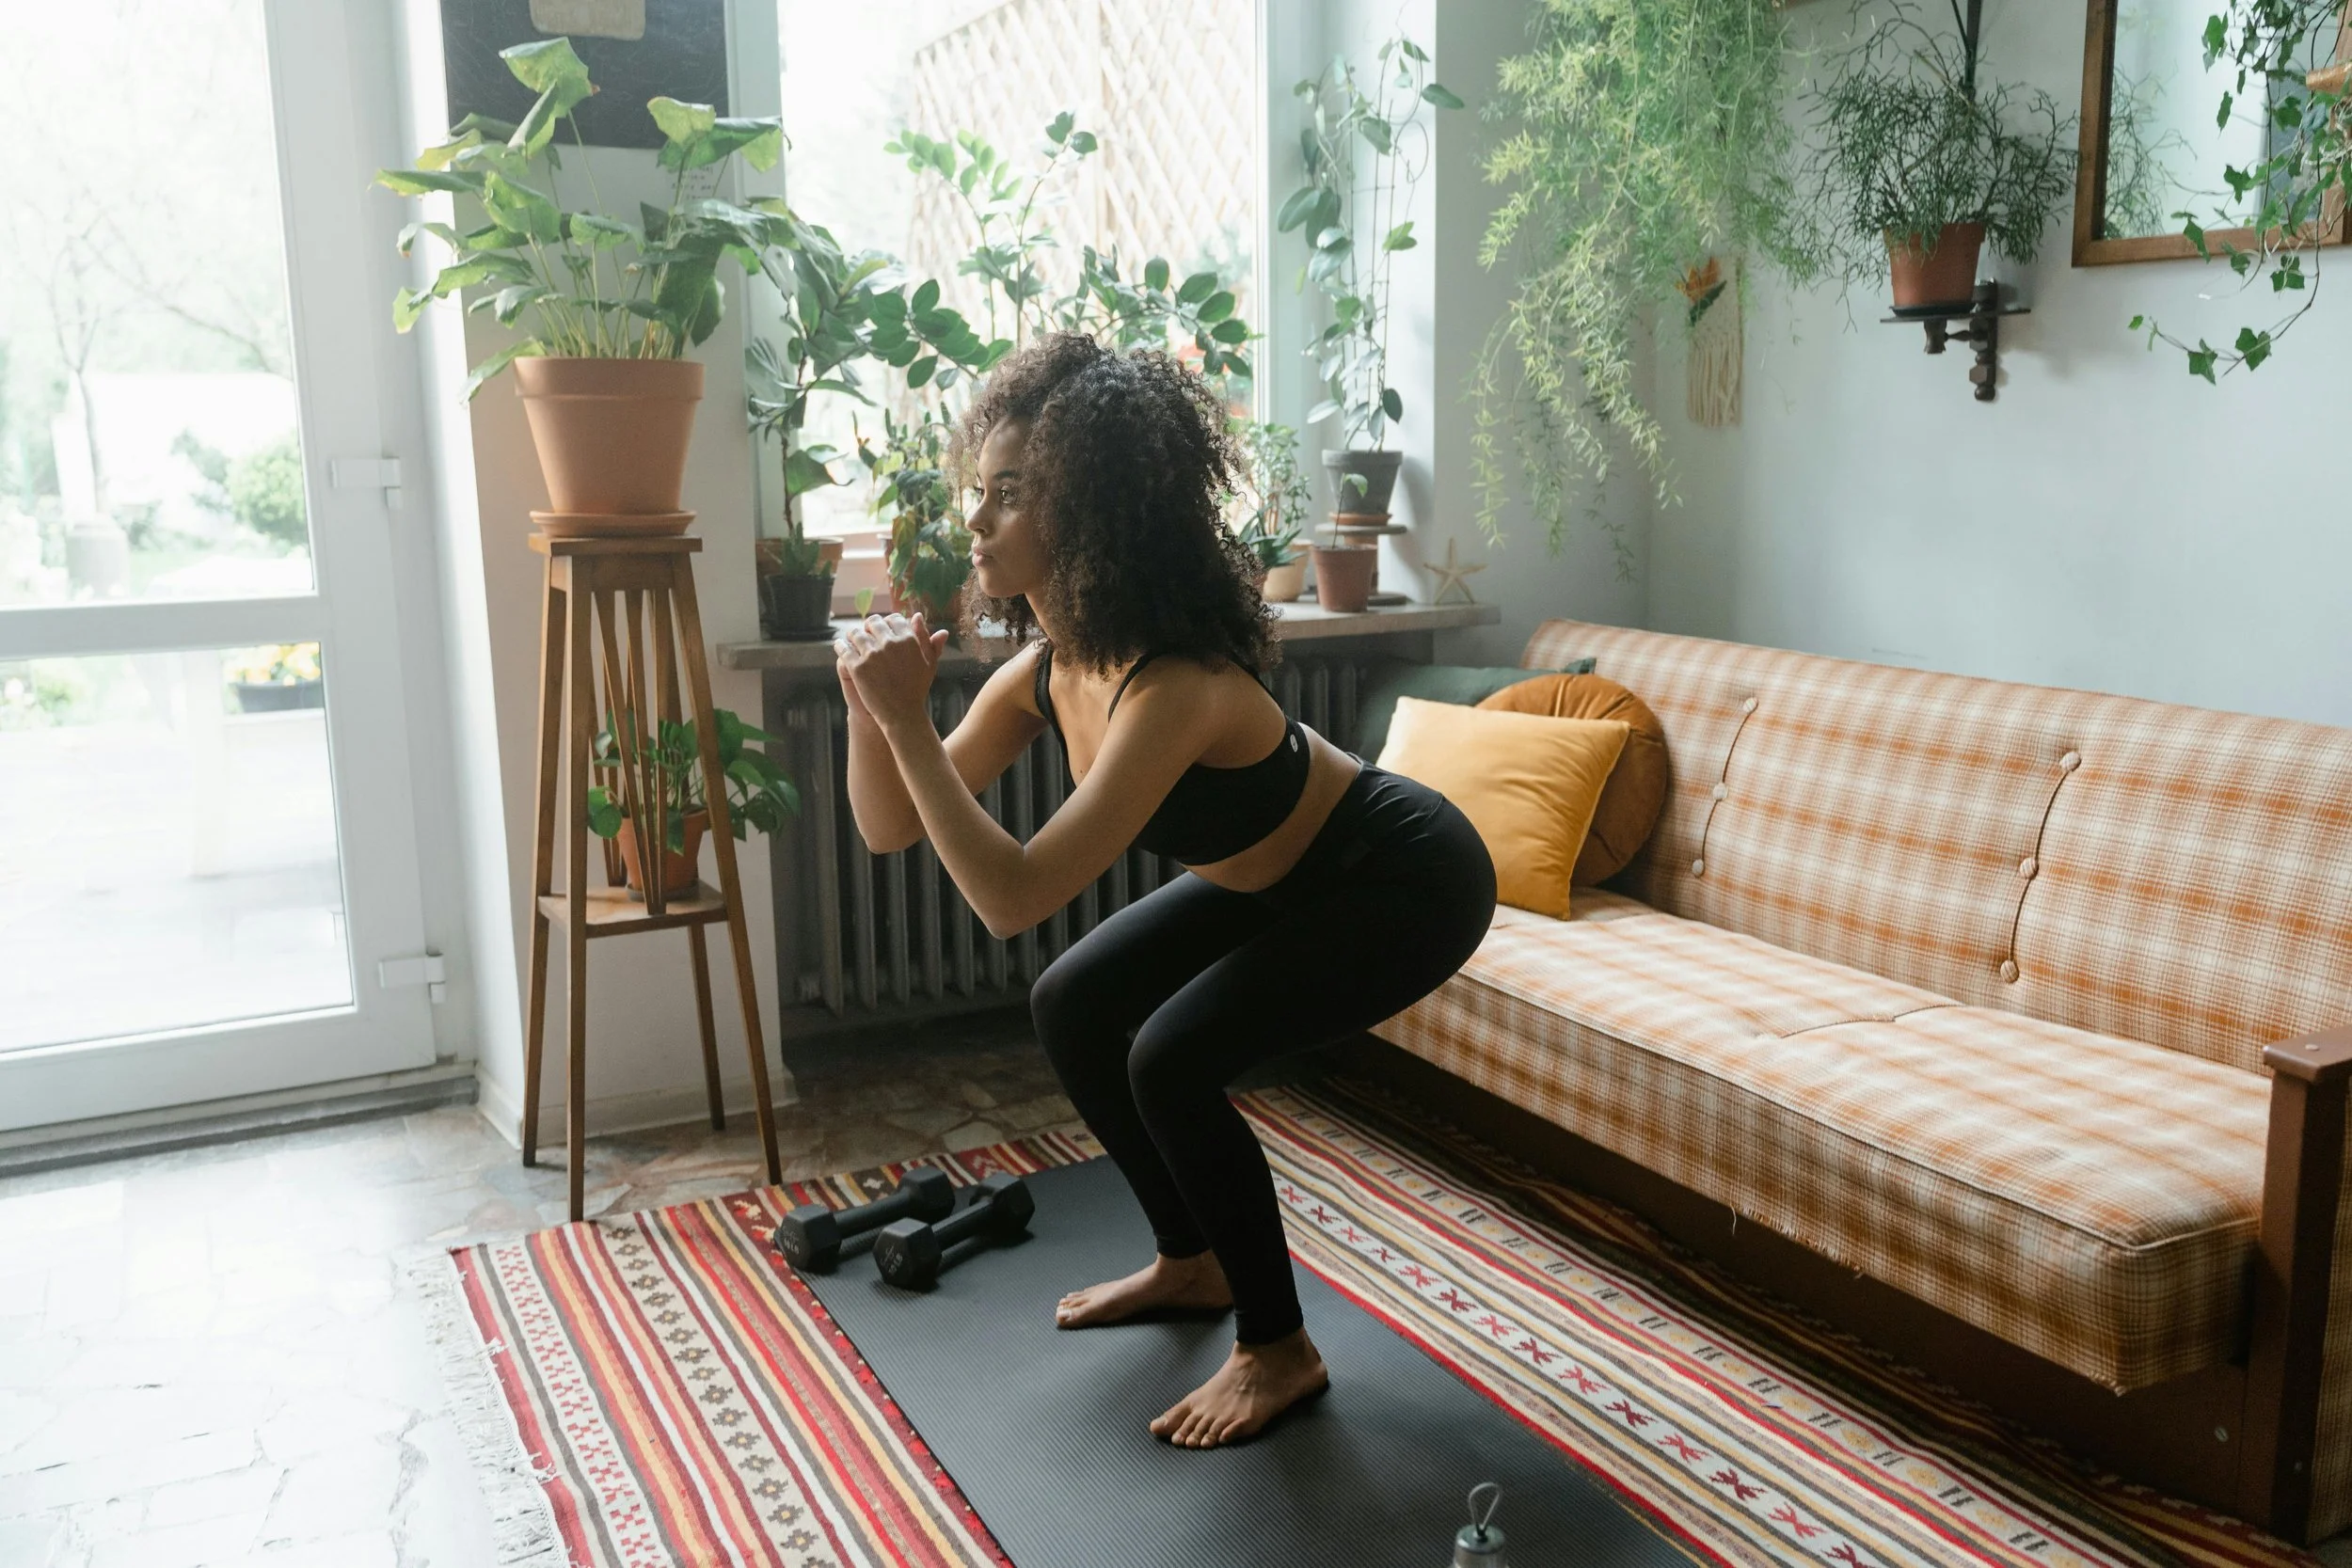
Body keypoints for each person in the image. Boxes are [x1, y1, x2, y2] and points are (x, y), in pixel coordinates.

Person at [833, 333, 1497, 1449]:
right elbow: (889, 823)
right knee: (1071, 1001)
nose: (978, 520)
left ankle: (1277, 1345)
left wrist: (907, 722)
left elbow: (1012, 893)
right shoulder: (1044, 671)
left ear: (1085, 509)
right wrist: (869, 711)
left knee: (1171, 1055)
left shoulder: (1174, 682)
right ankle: (1190, 1261)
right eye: (975, 494)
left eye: (1009, 495)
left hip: (1400, 874)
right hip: (1274, 877)